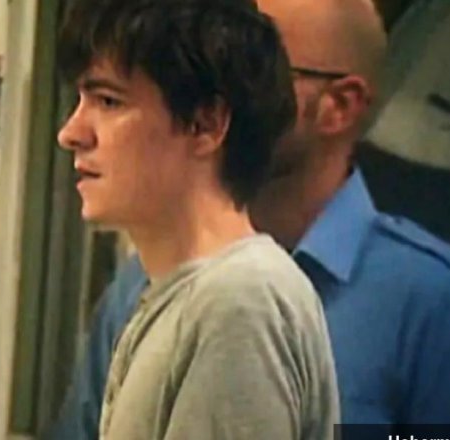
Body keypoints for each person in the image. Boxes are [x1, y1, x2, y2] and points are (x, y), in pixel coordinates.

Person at [47, 0, 450, 438]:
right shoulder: (145, 283)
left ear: (339, 106)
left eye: (256, 67)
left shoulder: (434, 300)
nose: (214, 92)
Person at [53, 0, 340, 438]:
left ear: (206, 123)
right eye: (80, 101)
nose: (70, 133)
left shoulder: (239, 301)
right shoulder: (179, 294)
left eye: (108, 101)